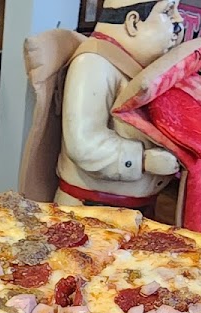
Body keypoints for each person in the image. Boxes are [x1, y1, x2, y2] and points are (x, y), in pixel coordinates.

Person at [55, 0, 186, 216]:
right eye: (167, 11)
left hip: (133, 209)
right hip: (91, 211)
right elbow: (84, 144)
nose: (179, 22)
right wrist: (143, 160)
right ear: (133, 22)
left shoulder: (136, 66)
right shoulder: (93, 63)